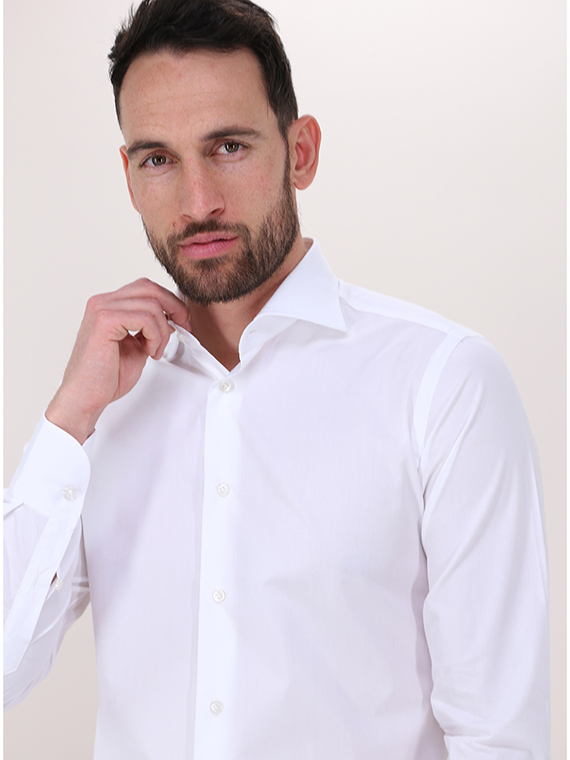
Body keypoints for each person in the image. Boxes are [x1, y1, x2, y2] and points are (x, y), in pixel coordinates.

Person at [3, 0, 550, 757]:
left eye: (228, 146)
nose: (198, 203)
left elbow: (499, 736)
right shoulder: (104, 408)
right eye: (159, 159)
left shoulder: (443, 383)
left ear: (302, 152)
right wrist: (68, 420)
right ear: (129, 177)